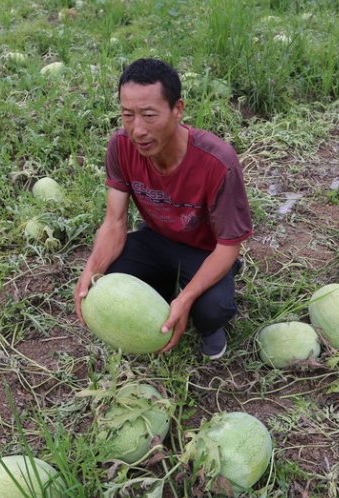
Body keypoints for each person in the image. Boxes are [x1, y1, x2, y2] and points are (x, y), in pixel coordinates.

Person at [74, 58, 252, 359]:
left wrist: (186, 299)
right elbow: (115, 222)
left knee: (213, 308)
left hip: (205, 251)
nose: (137, 130)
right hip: (155, 239)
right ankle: (163, 291)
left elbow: (228, 245)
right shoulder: (120, 146)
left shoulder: (218, 161)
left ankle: (205, 320)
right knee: (106, 280)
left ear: (177, 109)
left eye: (149, 115)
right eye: (127, 115)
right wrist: (91, 269)